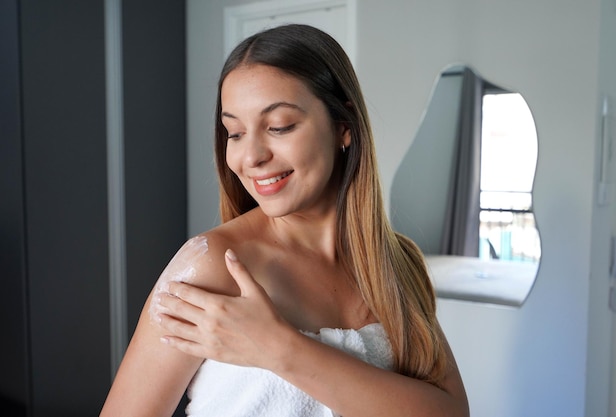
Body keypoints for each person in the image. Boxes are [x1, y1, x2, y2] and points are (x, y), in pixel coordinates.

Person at [100, 24, 469, 417]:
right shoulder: (210, 266)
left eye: (279, 126)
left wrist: (278, 348)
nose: (251, 156)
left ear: (344, 126)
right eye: (235, 133)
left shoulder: (397, 264)